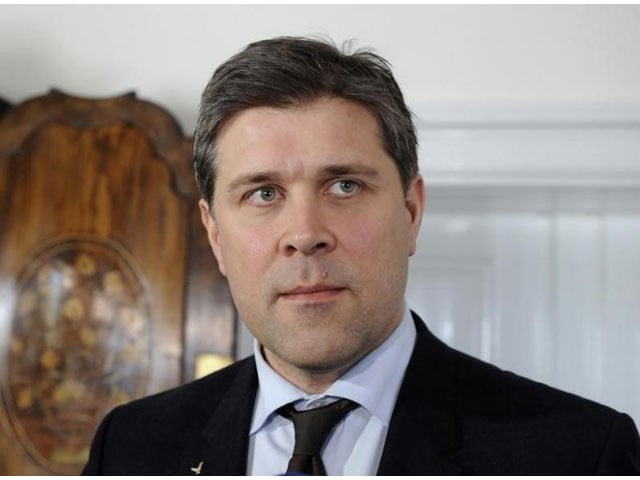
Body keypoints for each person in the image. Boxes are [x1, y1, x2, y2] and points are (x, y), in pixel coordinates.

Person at [82, 36, 640, 475]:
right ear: (214, 235)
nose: (304, 233)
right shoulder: (129, 449)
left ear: (411, 211)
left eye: (344, 185)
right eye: (263, 193)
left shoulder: (580, 453)